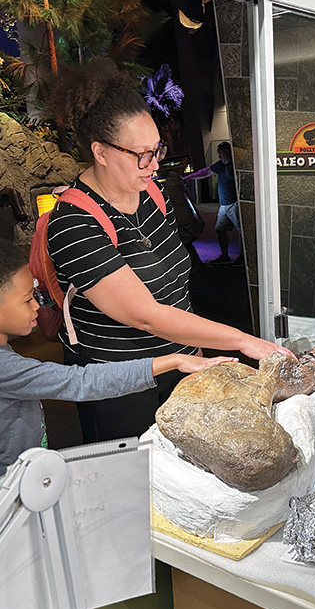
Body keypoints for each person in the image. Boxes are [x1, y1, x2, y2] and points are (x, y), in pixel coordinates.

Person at [43, 58, 293, 444]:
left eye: (157, 150)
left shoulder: (152, 193)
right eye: (141, 154)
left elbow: (173, 284)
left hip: (183, 362)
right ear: (101, 152)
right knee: (134, 479)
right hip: (122, 380)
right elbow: (147, 316)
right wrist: (242, 340)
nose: (153, 164)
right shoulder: (75, 223)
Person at [0, 238, 234, 496]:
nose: (37, 306)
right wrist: (174, 360)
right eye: (28, 299)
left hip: (0, 476)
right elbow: (81, 382)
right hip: (5, 491)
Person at [184, 141, 242, 266]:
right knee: (220, 229)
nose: (220, 156)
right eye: (219, 154)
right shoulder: (220, 165)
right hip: (224, 205)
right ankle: (225, 256)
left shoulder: (235, 166)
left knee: (241, 231)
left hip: (234, 204)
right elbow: (205, 172)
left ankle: (244, 257)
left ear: (228, 152)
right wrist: (188, 178)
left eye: (221, 153)